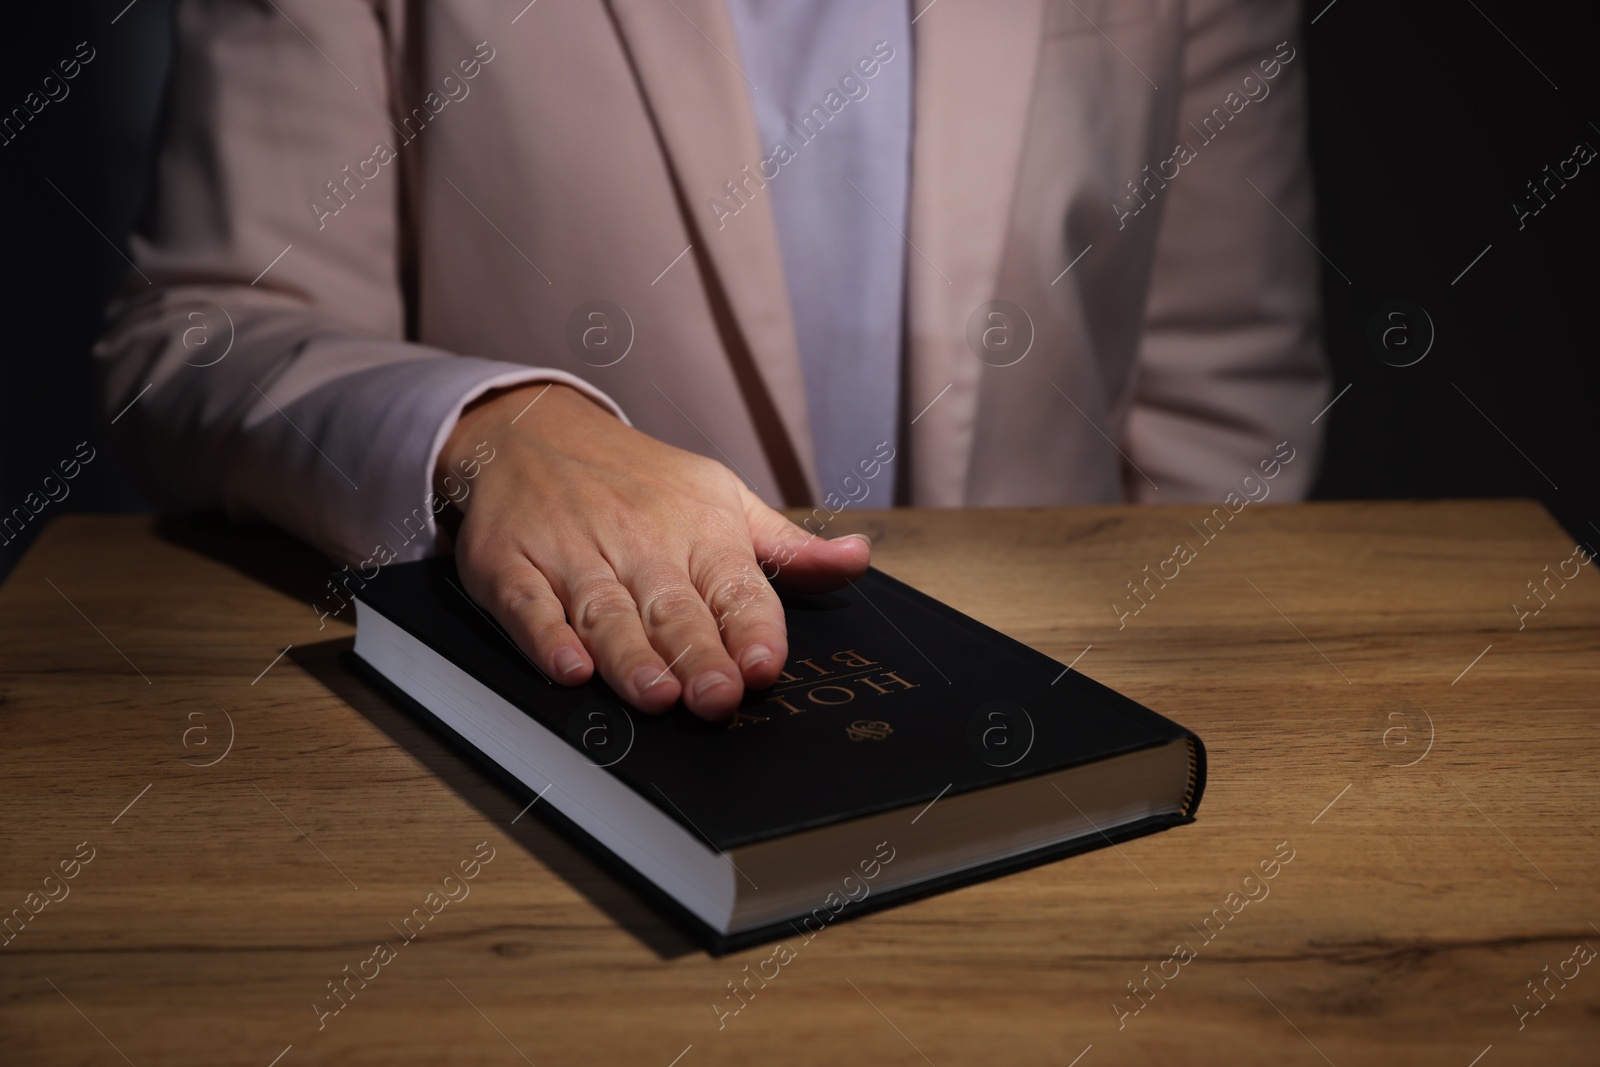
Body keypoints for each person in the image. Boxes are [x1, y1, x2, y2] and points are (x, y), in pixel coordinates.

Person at [95, 0, 1329, 721]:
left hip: (1055, 734)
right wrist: (493, 430)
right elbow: (202, 329)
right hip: (563, 749)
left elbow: (1221, 373)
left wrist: (1155, 719)